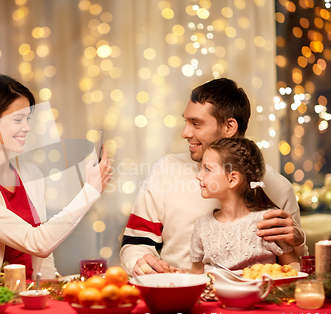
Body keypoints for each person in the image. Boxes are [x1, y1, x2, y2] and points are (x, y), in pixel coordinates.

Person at [120, 78, 306, 276]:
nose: (185, 132)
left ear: (229, 127)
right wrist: (140, 263)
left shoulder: (277, 187)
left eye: (196, 123)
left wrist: (297, 241)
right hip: (183, 296)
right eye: (186, 121)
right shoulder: (166, 170)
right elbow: (134, 244)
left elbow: (299, 267)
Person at [0, 73, 112, 278]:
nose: (27, 127)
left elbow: (44, 254)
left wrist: (51, 285)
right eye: (18, 119)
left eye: (28, 119)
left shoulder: (28, 174)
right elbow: (38, 243)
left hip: (34, 293)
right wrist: (89, 192)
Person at [190, 138, 299, 274]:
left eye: (207, 169)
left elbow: (291, 263)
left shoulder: (268, 221)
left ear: (232, 179)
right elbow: (197, 274)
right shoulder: (202, 226)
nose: (198, 175)